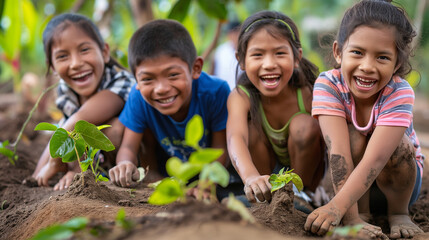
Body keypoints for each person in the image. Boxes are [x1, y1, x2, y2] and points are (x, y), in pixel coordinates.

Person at [305, 1, 425, 239]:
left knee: (400, 145)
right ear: (339, 52)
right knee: (352, 137)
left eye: (382, 57)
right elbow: (338, 152)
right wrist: (349, 218)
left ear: (397, 64)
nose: (367, 67)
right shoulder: (328, 84)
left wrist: (335, 208)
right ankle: (361, 215)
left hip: (399, 183)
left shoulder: (399, 92)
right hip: (350, 192)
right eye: (357, 52)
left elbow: (377, 158)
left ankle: (399, 214)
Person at [109, 19, 239, 199]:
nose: (161, 88)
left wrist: (206, 185)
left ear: (195, 68)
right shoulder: (138, 97)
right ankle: (157, 181)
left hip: (209, 171)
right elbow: (129, 147)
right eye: (147, 79)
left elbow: (220, 147)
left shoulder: (215, 91)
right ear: (137, 81)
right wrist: (125, 163)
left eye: (173, 75)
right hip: (167, 172)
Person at [226, 10, 325, 208]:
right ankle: (263, 193)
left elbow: (333, 143)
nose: (269, 64)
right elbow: (235, 137)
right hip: (264, 171)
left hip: (307, 174)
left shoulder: (309, 93)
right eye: (257, 55)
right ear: (242, 60)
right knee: (250, 129)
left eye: (280, 53)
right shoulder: (241, 95)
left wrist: (327, 187)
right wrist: (250, 177)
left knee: (304, 125)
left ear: (297, 57)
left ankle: (301, 194)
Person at [31, 13, 135, 191]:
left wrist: (58, 164)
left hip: (132, 156)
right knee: (65, 127)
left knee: (112, 128)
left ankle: (91, 172)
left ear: (104, 52)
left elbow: (77, 122)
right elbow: (66, 129)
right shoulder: (66, 90)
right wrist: (36, 176)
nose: (76, 63)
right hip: (96, 154)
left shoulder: (121, 81)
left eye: (84, 50)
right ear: (52, 66)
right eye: (63, 56)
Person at [212, 20, 242, 90]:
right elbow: (212, 73)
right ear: (229, 34)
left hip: (242, 93)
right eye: (234, 33)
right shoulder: (220, 51)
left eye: (238, 33)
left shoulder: (246, 50)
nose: (236, 36)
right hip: (223, 93)